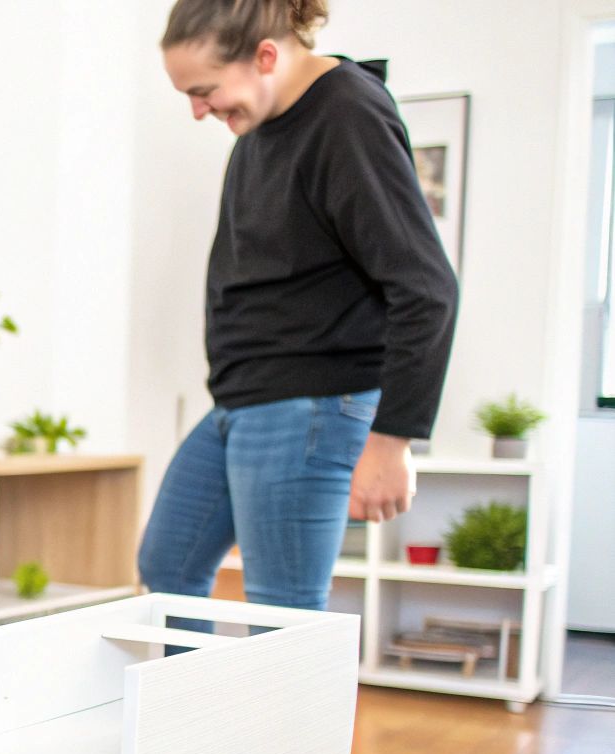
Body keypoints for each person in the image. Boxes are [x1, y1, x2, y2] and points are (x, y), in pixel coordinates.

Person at [141, 0, 458, 611]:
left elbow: (427, 287)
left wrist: (391, 442)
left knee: (282, 621)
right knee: (168, 566)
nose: (198, 110)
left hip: (309, 402)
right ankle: (188, 712)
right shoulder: (260, 126)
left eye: (204, 91)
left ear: (265, 56)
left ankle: (279, 713)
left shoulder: (347, 112)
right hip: (242, 399)